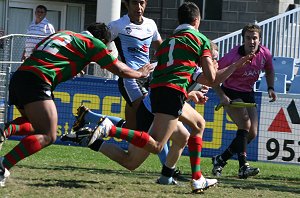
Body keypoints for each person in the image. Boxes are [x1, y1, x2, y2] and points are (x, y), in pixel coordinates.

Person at [62, 39, 253, 186]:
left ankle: (90, 139)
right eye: (213, 58)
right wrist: (234, 66)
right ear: (204, 58)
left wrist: (191, 94)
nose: (216, 62)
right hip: (153, 110)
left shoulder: (189, 66)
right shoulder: (194, 68)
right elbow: (173, 96)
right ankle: (196, 178)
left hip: (156, 107)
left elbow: (175, 96)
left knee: (178, 139)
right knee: (195, 126)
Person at [0, 22, 154, 187]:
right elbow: (118, 69)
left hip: (20, 76)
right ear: (102, 39)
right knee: (49, 135)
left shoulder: (63, 33)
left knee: (34, 125)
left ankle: (5, 130)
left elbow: (45, 53)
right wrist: (140, 73)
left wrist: (72, 64)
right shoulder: (93, 43)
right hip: (38, 80)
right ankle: (4, 165)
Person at [211, 24, 276, 179]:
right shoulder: (232, 56)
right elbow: (212, 76)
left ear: (260, 40)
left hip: (248, 93)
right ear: (243, 40)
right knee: (245, 125)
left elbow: (269, 69)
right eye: (248, 38)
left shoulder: (265, 53)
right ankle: (243, 167)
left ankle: (220, 160)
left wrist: (271, 87)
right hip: (231, 92)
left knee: (251, 133)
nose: (251, 41)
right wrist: (221, 95)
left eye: (255, 38)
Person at [108, 0, 162, 130]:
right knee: (152, 114)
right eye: (134, 3)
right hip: (130, 79)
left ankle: (91, 117)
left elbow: (161, 49)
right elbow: (98, 46)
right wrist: (115, 63)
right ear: (126, 4)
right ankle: (159, 149)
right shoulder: (117, 25)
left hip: (148, 79)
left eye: (142, 3)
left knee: (132, 128)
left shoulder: (151, 24)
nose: (139, 7)